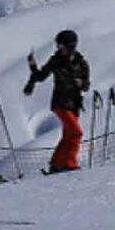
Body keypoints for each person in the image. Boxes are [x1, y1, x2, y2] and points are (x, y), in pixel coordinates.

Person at [24, 29, 90, 173]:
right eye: (58, 46)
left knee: (68, 135)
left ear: (70, 46)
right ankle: (69, 164)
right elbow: (41, 76)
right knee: (76, 133)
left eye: (61, 46)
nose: (58, 48)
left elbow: (86, 85)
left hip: (74, 104)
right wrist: (32, 66)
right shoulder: (56, 61)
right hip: (60, 103)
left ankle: (56, 164)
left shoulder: (82, 63)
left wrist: (81, 84)